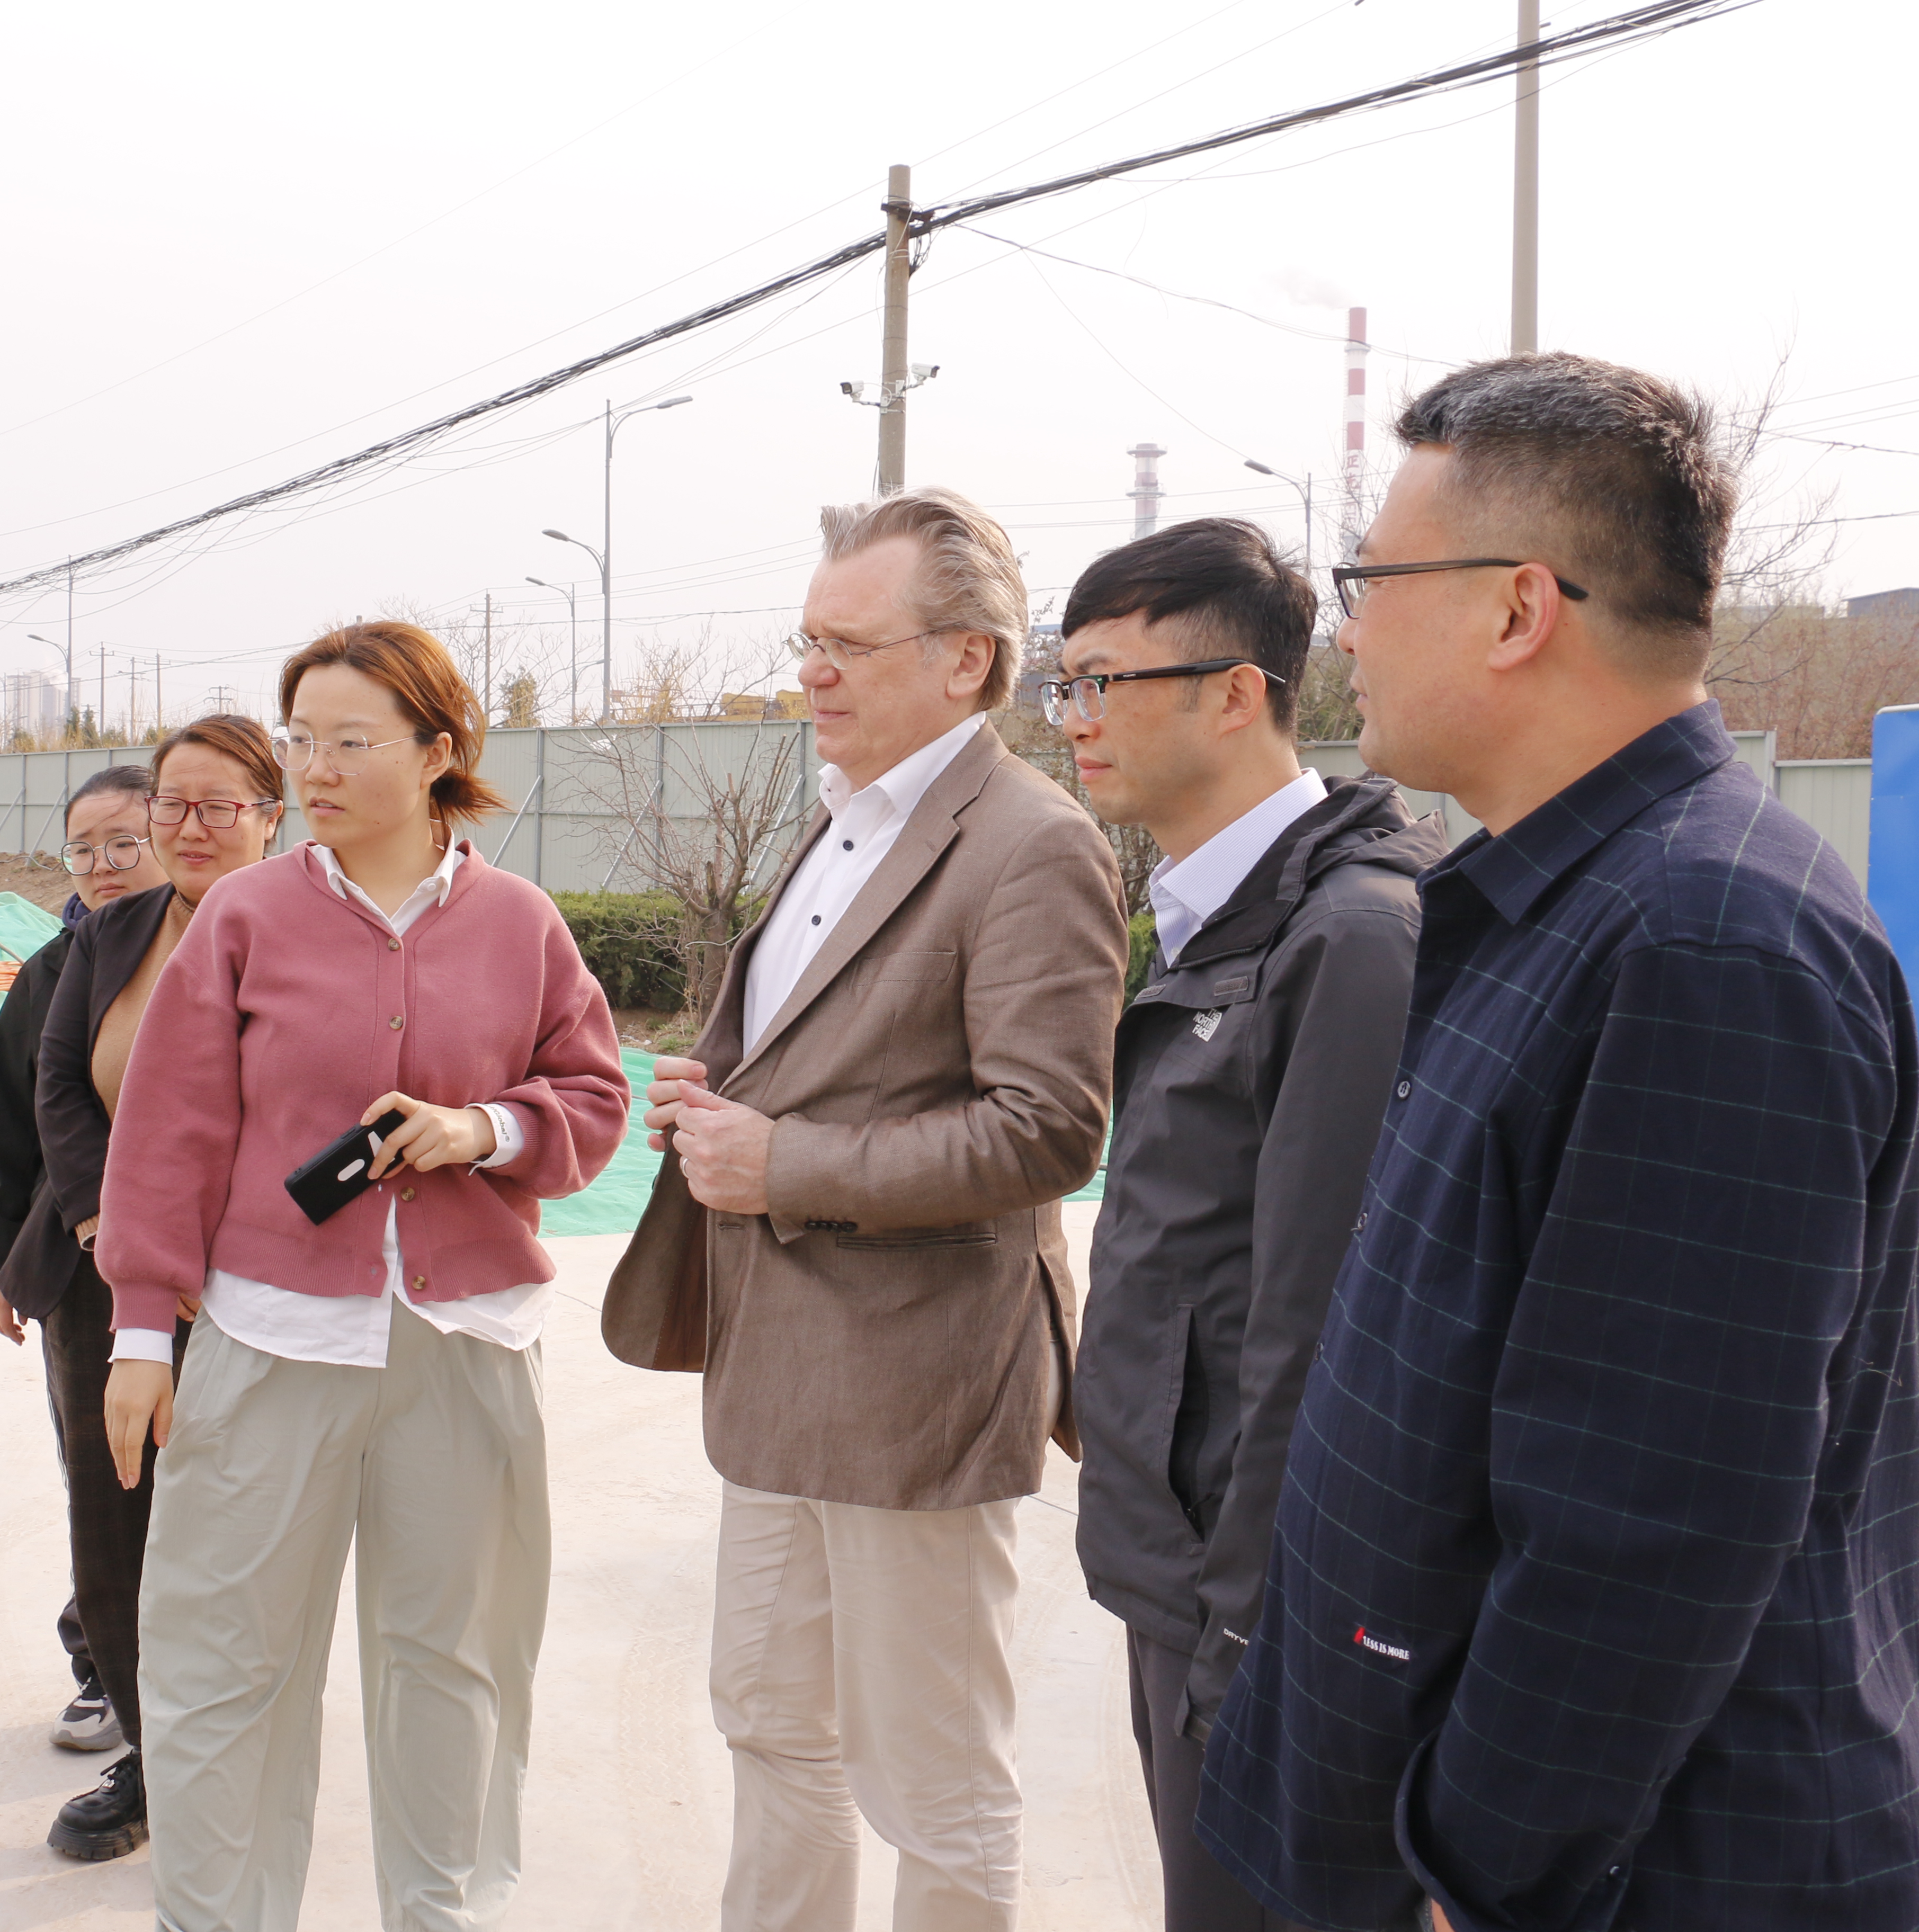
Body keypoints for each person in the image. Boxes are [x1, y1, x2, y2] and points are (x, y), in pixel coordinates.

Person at [1198, 354, 1919, 1931]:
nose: (1348, 632)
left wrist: (1480, 1872)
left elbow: (1650, 1521)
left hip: (1613, 1874)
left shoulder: (1707, 943)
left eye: (1370, 583)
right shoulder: (1566, 902)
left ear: (1520, 608)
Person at [604, 486, 1126, 1931]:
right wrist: (719, 1092)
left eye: (847, 644)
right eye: (807, 640)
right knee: (770, 1726)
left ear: (967, 660)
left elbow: (1048, 1129)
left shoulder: (1032, 844)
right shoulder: (845, 819)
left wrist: (788, 1164)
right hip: (776, 1373)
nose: (811, 673)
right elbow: (837, 1053)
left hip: (918, 1392)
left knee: (932, 1784)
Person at [95, 622, 629, 1929]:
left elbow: (593, 1097)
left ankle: (443, 1914)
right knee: (222, 1666)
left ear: (439, 751)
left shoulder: (521, 923)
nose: (315, 769)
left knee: (457, 1662)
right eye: (301, 740)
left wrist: (482, 1129)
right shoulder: (245, 916)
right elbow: (168, 1134)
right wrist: (142, 1333)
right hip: (272, 1340)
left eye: (349, 741)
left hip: (470, 1345)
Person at [1049, 517, 1443, 1932]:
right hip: (1188, 1568)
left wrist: (1247, 1631)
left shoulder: (1348, 936)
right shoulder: (1224, 914)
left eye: (1108, 682)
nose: (1075, 719)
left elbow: (1323, 1334)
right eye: (1067, 683)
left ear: (1235, 693)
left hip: (1259, 1607)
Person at [20, 720, 286, 1860]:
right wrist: (105, 1226)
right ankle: (154, 1756)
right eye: (172, 805)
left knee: (246, 1529)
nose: (190, 827)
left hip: (258, 1284)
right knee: (118, 1521)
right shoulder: (113, 935)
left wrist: (223, 1247)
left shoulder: (311, 932)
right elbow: (57, 1086)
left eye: (219, 806)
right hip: (111, 1280)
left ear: (271, 817)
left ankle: (248, 1754)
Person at [0, 763, 165, 1767]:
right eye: (84, 848)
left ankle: (198, 1684)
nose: (103, 864)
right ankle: (106, 1668)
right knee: (105, 1477)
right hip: (80, 1263)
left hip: (212, 1267)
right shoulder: (51, 971)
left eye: (125, 842)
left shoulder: (216, 949)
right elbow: (7, 1126)